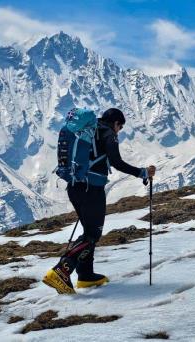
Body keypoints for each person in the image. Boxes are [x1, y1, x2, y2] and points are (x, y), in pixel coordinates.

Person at [43, 108, 156, 294]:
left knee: (89, 231)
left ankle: (85, 275)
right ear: (116, 123)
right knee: (93, 235)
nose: (119, 131)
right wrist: (142, 172)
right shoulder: (108, 133)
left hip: (75, 187)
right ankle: (61, 270)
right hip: (91, 190)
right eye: (120, 127)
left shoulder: (88, 129)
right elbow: (116, 162)